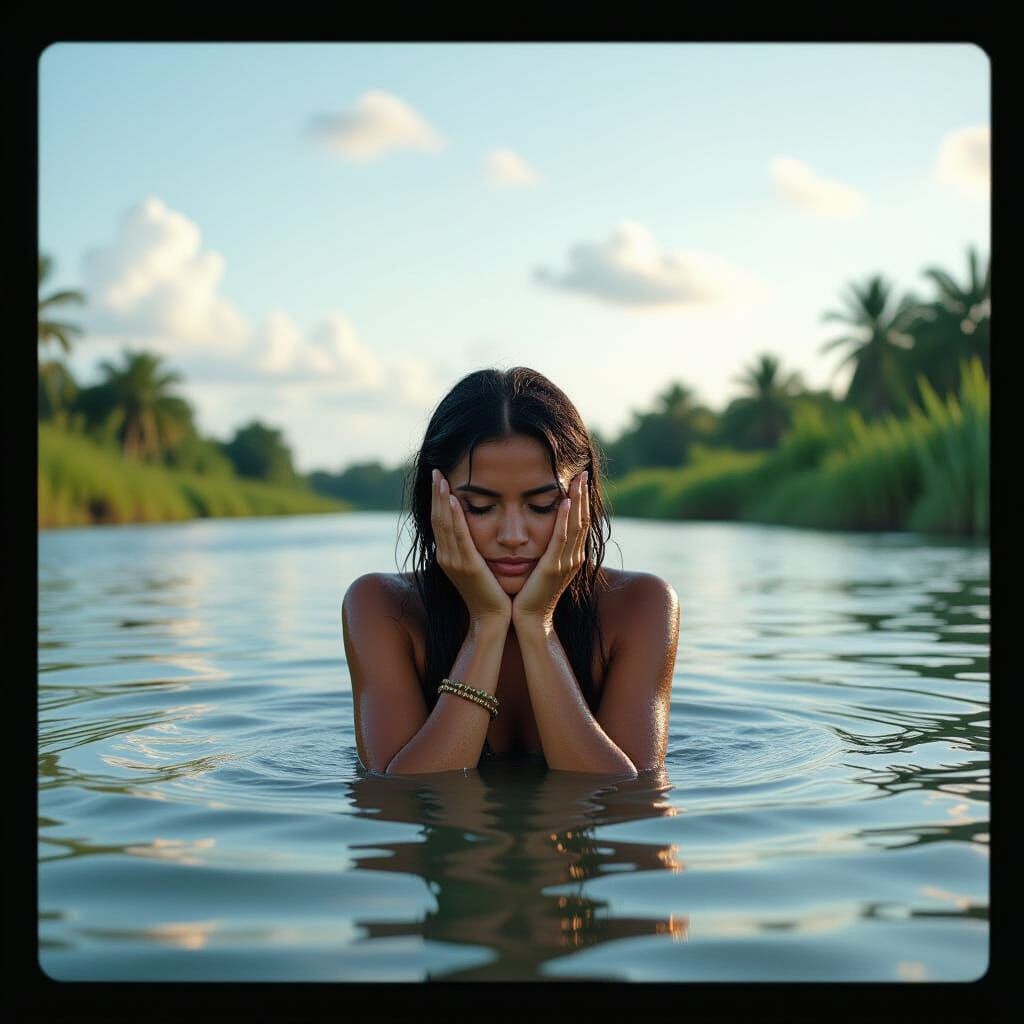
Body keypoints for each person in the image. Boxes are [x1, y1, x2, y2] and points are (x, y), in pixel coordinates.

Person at [342, 367, 680, 776]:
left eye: (541, 506)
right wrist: (486, 624)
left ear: (583, 499)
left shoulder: (641, 606)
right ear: (434, 501)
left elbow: (630, 794)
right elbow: (399, 792)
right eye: (480, 507)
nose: (513, 535)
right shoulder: (381, 607)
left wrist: (538, 623)